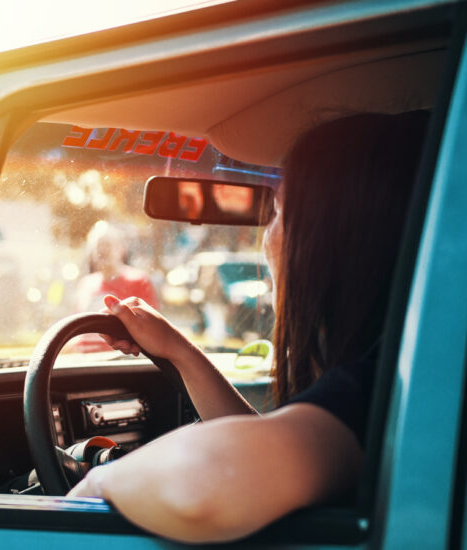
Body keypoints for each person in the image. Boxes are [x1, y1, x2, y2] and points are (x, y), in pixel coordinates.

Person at [67, 111, 430, 543]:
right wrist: (179, 350)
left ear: (328, 241)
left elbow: (206, 481)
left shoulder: (371, 388)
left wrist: (93, 487)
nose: (265, 238)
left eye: (277, 212)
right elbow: (269, 447)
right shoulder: (406, 367)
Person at [73, 221, 159, 353]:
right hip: (85, 361)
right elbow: (77, 329)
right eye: (98, 245)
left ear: (121, 248)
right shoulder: (86, 284)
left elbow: (153, 329)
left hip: (120, 362)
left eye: (107, 244)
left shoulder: (139, 280)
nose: (103, 250)